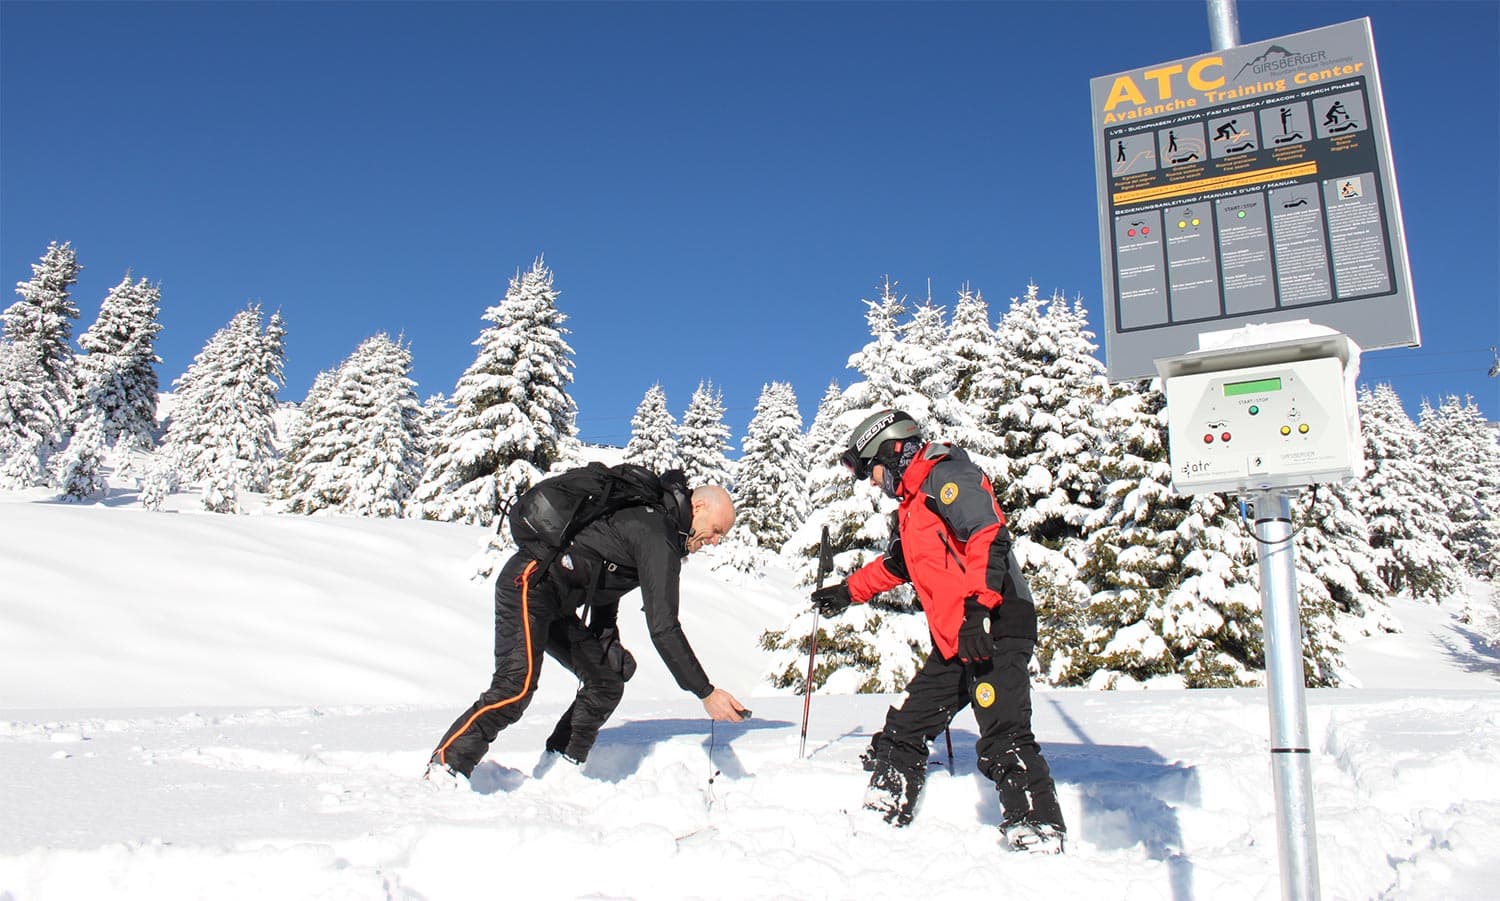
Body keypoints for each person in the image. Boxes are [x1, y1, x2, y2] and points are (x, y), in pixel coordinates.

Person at [811, 409, 1067, 853]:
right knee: (903, 731)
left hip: (994, 625)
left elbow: (989, 535)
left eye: (871, 471)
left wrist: (978, 610)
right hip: (957, 639)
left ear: (891, 451)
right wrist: (847, 592)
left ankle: (1038, 829)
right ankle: (882, 818)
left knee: (1003, 735)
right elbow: (901, 565)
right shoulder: (911, 508)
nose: (873, 483)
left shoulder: (947, 477)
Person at [428, 470, 750, 783]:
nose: (716, 541)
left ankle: (561, 763)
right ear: (698, 507)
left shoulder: (652, 522)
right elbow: (663, 627)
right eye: (718, 530)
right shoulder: (656, 530)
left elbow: (604, 570)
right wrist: (705, 691)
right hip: (529, 583)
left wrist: (606, 637)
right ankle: (447, 764)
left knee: (605, 683)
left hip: (557, 603)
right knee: (516, 687)